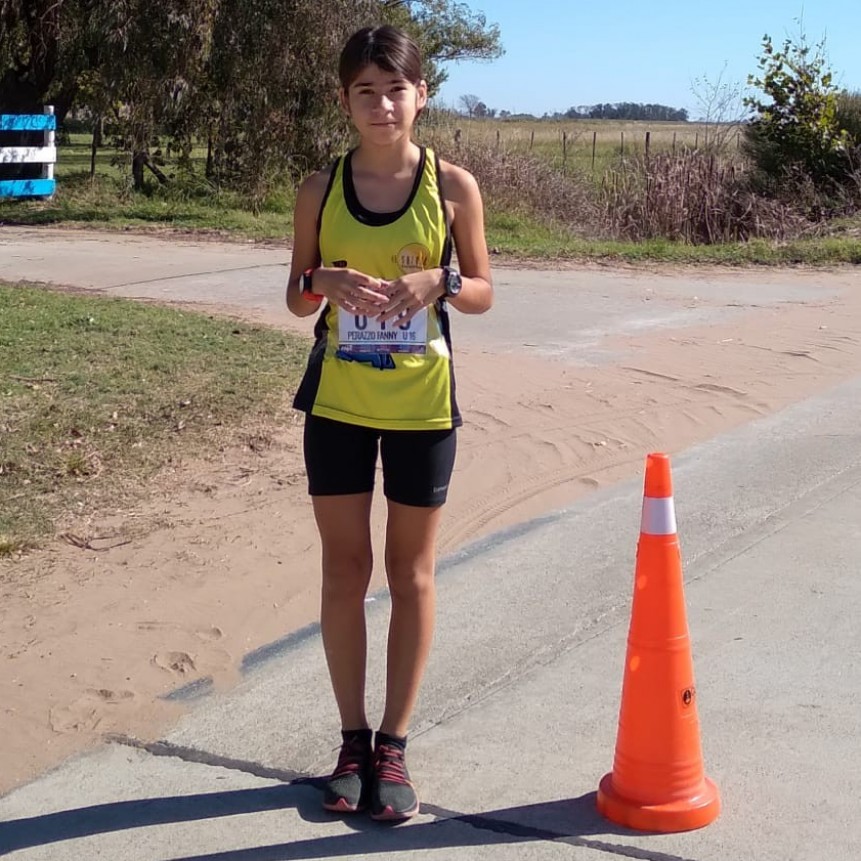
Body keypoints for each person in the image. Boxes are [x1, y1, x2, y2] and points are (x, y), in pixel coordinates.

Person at [286, 24, 493, 822]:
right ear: (345, 100)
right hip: (337, 404)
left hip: (421, 407)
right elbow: (296, 295)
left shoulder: (454, 188)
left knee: (410, 574)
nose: (381, 105)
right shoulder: (319, 188)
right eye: (364, 92)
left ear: (422, 95)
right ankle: (350, 740)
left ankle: (394, 748)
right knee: (345, 569)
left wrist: (436, 282)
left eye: (394, 89)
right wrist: (323, 277)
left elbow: (481, 289)